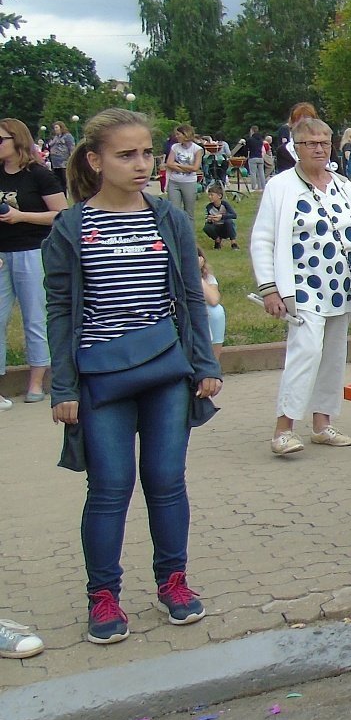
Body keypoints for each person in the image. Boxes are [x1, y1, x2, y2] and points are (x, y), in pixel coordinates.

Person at [43, 108, 223, 646]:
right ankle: (103, 595)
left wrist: (206, 363)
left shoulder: (166, 216)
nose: (142, 164)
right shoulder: (71, 227)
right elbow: (60, 311)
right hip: (100, 378)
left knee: (166, 481)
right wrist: (63, 387)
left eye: (147, 152)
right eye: (127, 155)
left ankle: (173, 582)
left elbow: (191, 293)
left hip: (166, 370)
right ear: (95, 160)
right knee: (110, 487)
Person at [251, 116, 351, 456]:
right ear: (295, 148)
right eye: (310, 143)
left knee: (334, 355)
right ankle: (284, 428)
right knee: (306, 351)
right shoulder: (281, 187)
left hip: (341, 284)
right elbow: (262, 238)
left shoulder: (344, 186)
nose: (319, 149)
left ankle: (322, 424)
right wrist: (269, 288)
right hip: (301, 285)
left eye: (324, 142)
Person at [0, 118, 66, 403]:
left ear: (17, 140)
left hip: (32, 251)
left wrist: (21, 216)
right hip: (1, 256)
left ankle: (36, 383)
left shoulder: (38, 175)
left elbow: (62, 214)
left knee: (34, 318)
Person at [163, 125, 204, 220]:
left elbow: (195, 167)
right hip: (174, 181)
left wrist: (178, 165)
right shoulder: (175, 147)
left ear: (185, 134)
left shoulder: (197, 149)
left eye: (178, 134)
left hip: (189, 182)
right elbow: (169, 163)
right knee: (174, 211)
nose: (176, 136)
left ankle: (189, 233)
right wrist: (187, 168)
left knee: (189, 212)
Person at [198, 251, 226, 362]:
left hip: (203, 313)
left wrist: (196, 274)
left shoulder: (207, 277)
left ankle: (214, 363)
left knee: (216, 311)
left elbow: (213, 300)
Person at [201, 182, 238, 249]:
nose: (210, 197)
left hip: (225, 227)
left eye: (212, 195)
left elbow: (234, 215)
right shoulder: (209, 207)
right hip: (216, 226)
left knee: (229, 222)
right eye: (209, 195)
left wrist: (222, 217)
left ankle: (233, 243)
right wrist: (210, 219)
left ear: (219, 196)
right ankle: (217, 240)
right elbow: (207, 218)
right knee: (207, 227)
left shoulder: (225, 204)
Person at [46, 121, 74, 192]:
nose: (55, 129)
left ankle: (70, 192)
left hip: (64, 162)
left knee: (65, 179)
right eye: (54, 128)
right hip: (55, 163)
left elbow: (71, 148)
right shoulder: (55, 137)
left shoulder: (67, 136)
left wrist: (72, 158)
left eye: (56, 127)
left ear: (61, 127)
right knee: (58, 180)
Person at [242, 125, 269, 190]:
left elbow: (246, 149)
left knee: (253, 173)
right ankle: (262, 187)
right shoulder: (261, 140)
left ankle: (253, 187)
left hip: (253, 157)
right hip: (260, 157)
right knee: (261, 173)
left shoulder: (250, 140)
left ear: (252, 131)